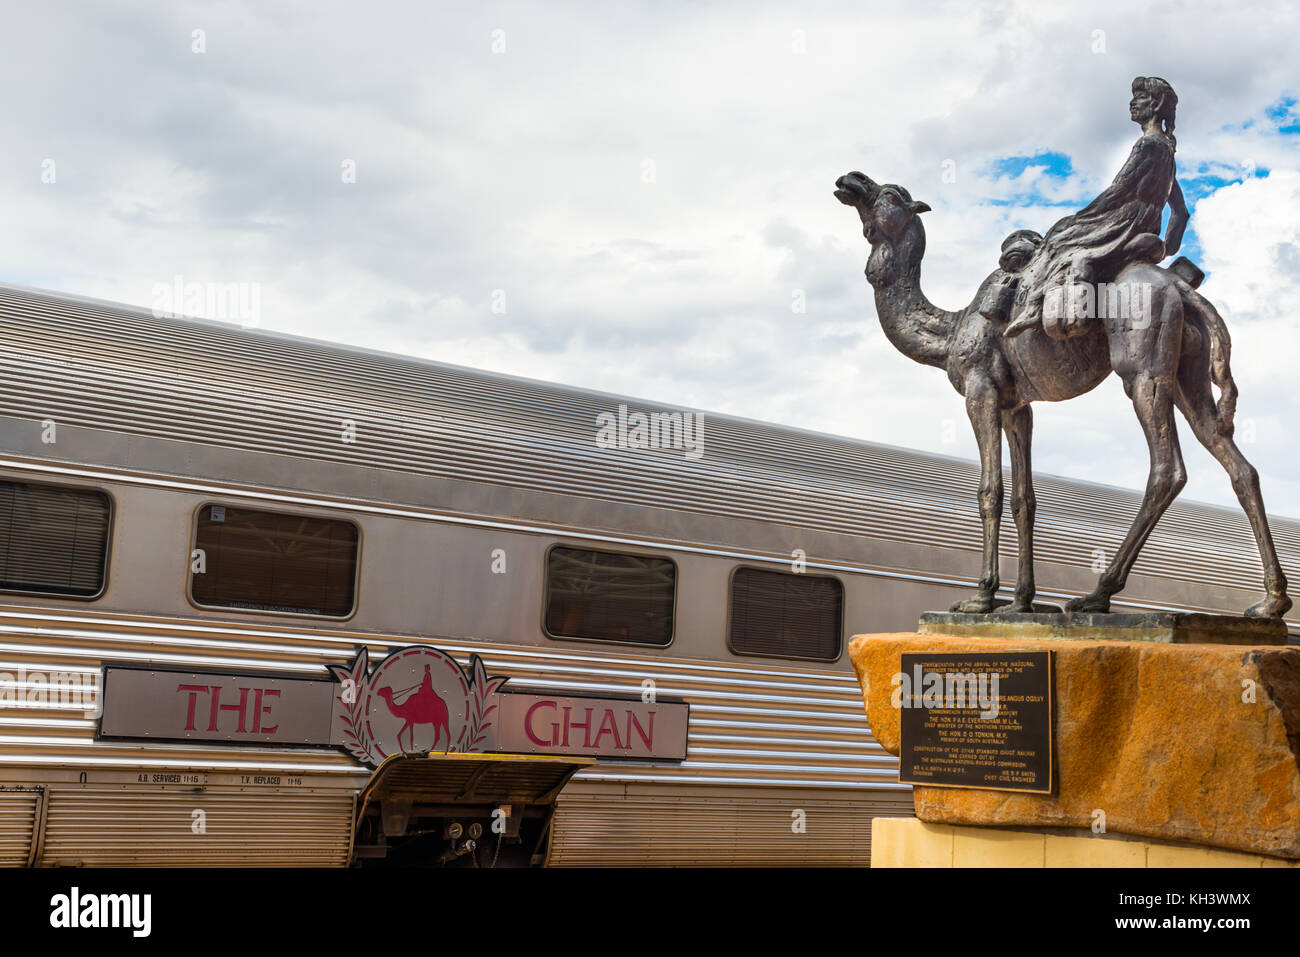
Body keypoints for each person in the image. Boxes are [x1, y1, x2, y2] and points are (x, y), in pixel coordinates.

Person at [1001, 76, 1188, 339]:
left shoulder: (1148, 144)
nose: (1132, 103)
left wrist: (1078, 219)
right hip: (1146, 226)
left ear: (1155, 104)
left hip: (1123, 223)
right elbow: (1180, 213)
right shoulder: (1167, 150)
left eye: (1140, 98)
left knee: (1058, 239)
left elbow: (1118, 191)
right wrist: (1165, 249)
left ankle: (1033, 305)